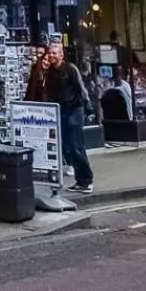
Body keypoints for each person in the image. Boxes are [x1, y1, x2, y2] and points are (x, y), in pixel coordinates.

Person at [43, 41, 94, 193]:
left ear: (61, 55)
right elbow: (48, 94)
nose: (51, 55)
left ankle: (86, 180)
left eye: (54, 53)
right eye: (50, 53)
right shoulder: (50, 73)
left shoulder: (71, 69)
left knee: (77, 146)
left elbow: (81, 88)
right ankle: (80, 181)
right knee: (69, 148)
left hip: (74, 110)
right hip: (61, 111)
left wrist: (89, 108)